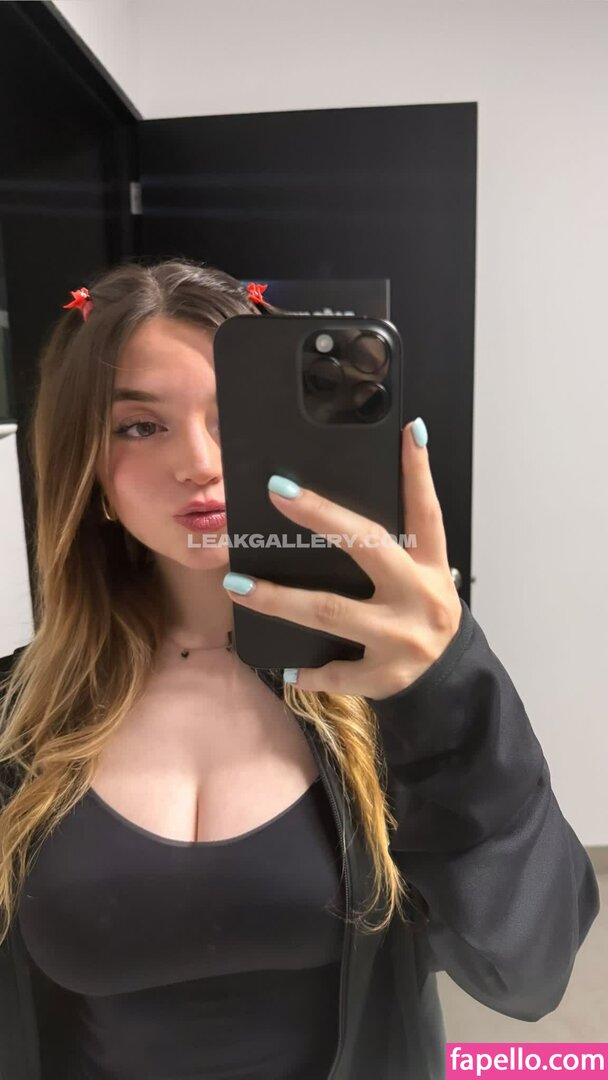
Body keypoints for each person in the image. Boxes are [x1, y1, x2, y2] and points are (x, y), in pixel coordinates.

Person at [0, 257, 600, 1080]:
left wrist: (449, 685)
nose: (198, 461)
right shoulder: (18, 717)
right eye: (140, 426)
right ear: (87, 467)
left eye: (234, 415)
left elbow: (528, 973)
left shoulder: (385, 689)